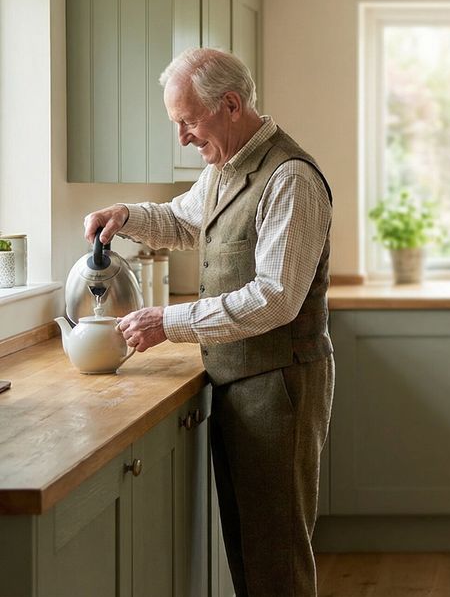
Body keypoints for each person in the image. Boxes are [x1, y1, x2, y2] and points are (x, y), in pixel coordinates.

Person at [84, 48, 334, 596]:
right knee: (250, 549)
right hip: (243, 380)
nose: (182, 137)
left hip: (280, 386)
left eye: (187, 121)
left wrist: (170, 321)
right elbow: (179, 219)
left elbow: (275, 298)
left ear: (230, 104)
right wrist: (125, 217)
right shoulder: (226, 167)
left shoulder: (289, 178)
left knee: (277, 557)